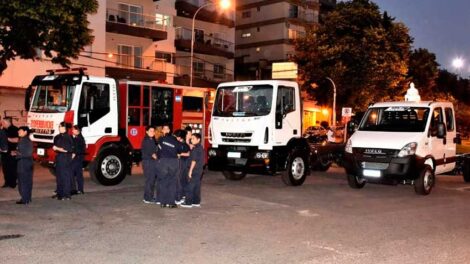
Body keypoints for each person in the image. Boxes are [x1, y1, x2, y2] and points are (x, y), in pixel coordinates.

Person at [156, 124, 181, 208]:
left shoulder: (160, 140)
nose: (166, 130)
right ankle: (171, 203)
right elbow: (179, 150)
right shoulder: (175, 140)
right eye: (165, 129)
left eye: (166, 129)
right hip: (173, 162)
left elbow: (158, 152)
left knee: (163, 182)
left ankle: (163, 203)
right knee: (172, 182)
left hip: (163, 162)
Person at [181, 133, 204, 208]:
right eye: (191, 138)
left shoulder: (195, 149)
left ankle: (188, 202)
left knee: (189, 186)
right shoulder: (200, 147)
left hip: (194, 170)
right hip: (199, 170)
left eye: (193, 138)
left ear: (198, 140)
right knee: (196, 186)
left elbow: (193, 161)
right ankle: (196, 202)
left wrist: (190, 171)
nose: (191, 140)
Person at [52, 122, 73, 200]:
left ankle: (66, 194)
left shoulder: (68, 137)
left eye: (61, 127)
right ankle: (60, 193)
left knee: (65, 177)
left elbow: (67, 150)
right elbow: (54, 146)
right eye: (59, 127)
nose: (60, 128)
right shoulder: (57, 137)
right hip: (59, 158)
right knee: (59, 177)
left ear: (65, 128)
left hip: (65, 158)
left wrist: (57, 148)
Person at [13, 126, 33, 205]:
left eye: (20, 131)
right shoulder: (25, 140)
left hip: (24, 164)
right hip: (26, 163)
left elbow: (27, 153)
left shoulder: (25, 141)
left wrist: (16, 153)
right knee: (27, 181)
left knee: (23, 182)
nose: (18, 132)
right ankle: (27, 198)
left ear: (25, 132)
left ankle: (25, 199)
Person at [142, 126, 158, 204]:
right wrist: (159, 160)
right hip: (149, 162)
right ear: (147, 132)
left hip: (150, 162)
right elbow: (152, 154)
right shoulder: (148, 140)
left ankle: (148, 197)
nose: (152, 132)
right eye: (150, 131)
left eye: (153, 131)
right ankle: (148, 198)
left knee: (150, 180)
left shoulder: (151, 140)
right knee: (150, 180)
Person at [1, 117, 19, 188]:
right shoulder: (3, 130)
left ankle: (13, 183)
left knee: (12, 168)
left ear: (8, 122)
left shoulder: (15, 129)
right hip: (4, 152)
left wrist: (6, 138)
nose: (2, 123)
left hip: (12, 152)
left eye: (3, 122)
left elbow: (17, 140)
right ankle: (7, 182)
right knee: (5, 169)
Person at [174, 129, 190, 204]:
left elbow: (189, 154)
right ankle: (183, 195)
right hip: (183, 163)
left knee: (180, 180)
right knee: (183, 179)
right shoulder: (181, 144)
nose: (175, 138)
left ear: (180, 137)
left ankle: (179, 197)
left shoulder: (183, 144)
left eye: (176, 136)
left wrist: (180, 154)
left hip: (182, 163)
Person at [71, 125, 86, 195]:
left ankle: (75, 189)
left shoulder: (78, 139)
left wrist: (74, 154)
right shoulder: (79, 138)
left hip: (77, 159)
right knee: (78, 175)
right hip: (79, 159)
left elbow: (78, 149)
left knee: (74, 174)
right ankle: (80, 189)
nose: (72, 131)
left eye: (73, 130)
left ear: (77, 131)